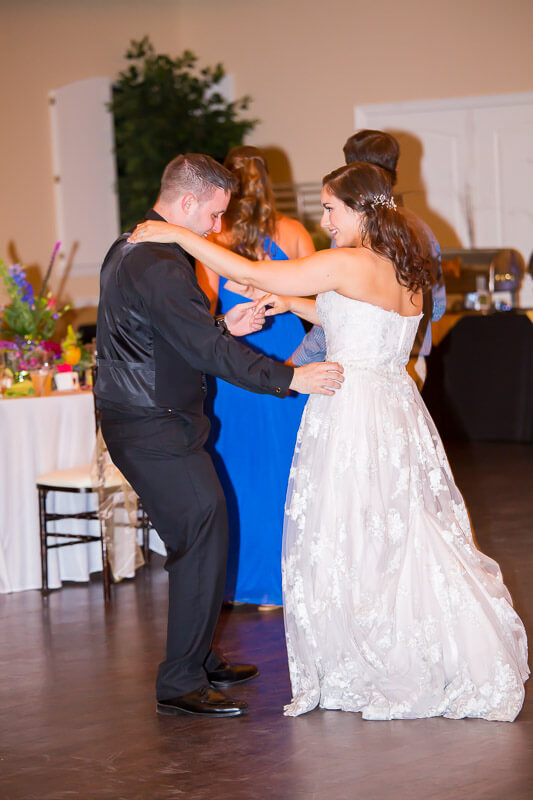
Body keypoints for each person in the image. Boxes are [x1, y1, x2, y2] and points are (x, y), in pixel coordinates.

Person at [129, 160, 528, 722]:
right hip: (394, 409)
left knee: (349, 531)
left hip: (353, 411)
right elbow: (355, 317)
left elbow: (256, 272)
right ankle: (417, 650)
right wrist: (292, 303)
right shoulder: (400, 261)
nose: (325, 219)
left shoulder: (345, 261)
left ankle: (373, 657)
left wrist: (177, 234)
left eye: (330, 208)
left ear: (360, 209)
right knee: (397, 532)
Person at [95, 153, 344, 719]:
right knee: (202, 531)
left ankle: (198, 657)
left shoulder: (132, 246)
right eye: (212, 215)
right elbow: (204, 354)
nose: (216, 228)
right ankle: (180, 680)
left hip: (149, 417)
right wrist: (290, 377)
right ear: (187, 203)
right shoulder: (158, 261)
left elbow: (170, 335)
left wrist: (221, 325)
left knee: (204, 531)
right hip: (149, 422)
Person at [196, 146, 314, 608]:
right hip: (286, 359)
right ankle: (281, 585)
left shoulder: (214, 241)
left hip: (234, 361)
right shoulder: (293, 232)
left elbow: (204, 309)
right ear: (268, 182)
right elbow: (316, 297)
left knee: (234, 468)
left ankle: (235, 584)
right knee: (286, 471)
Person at [290, 130, 446, 391]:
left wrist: (295, 363)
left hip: (356, 372)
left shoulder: (349, 232)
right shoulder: (422, 229)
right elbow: (437, 307)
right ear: (396, 168)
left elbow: (336, 315)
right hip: (410, 365)